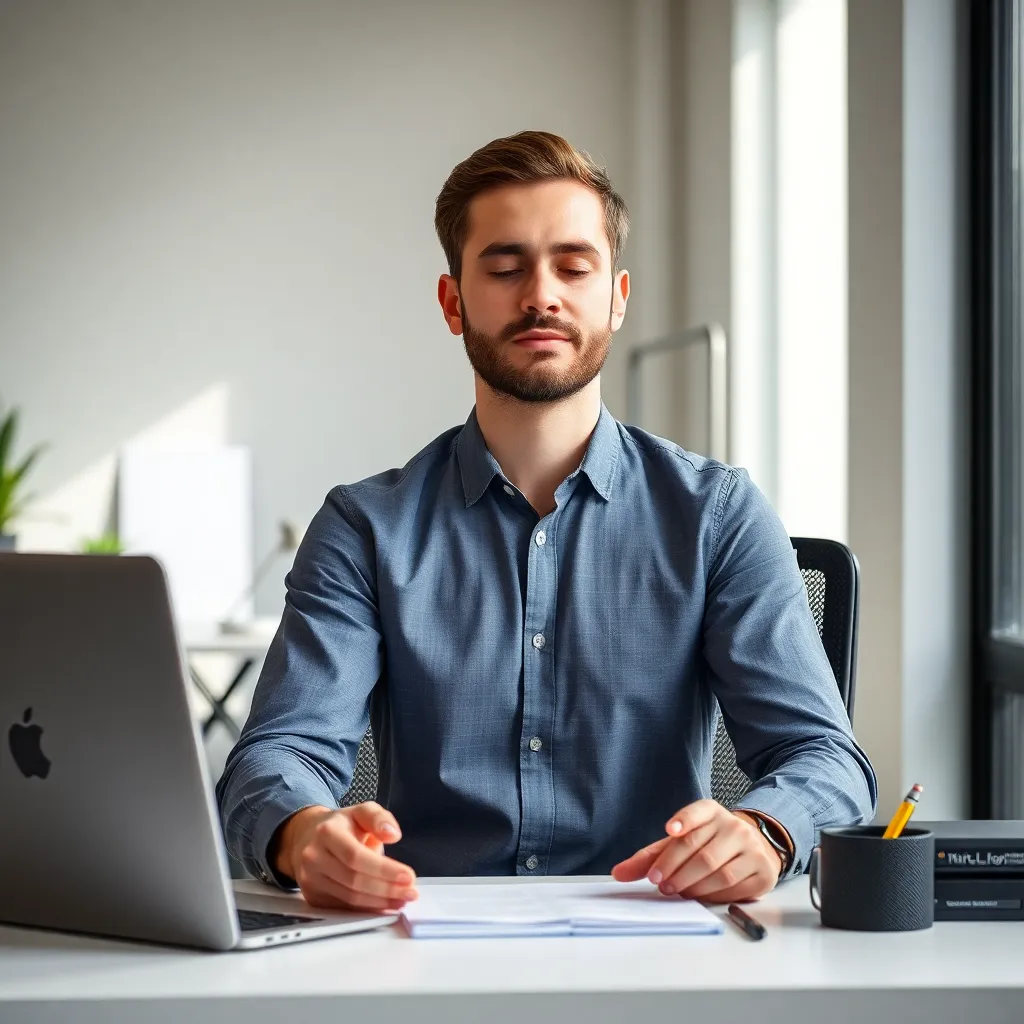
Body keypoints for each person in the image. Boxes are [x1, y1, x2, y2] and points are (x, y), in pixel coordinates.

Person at [216, 130, 876, 914]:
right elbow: (276, 756)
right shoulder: (365, 528)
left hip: (656, 942)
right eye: (504, 267)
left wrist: (766, 830)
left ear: (617, 297)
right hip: (419, 944)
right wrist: (303, 833)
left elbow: (826, 760)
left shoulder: (717, 516)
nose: (541, 295)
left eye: (573, 265)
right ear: (453, 301)